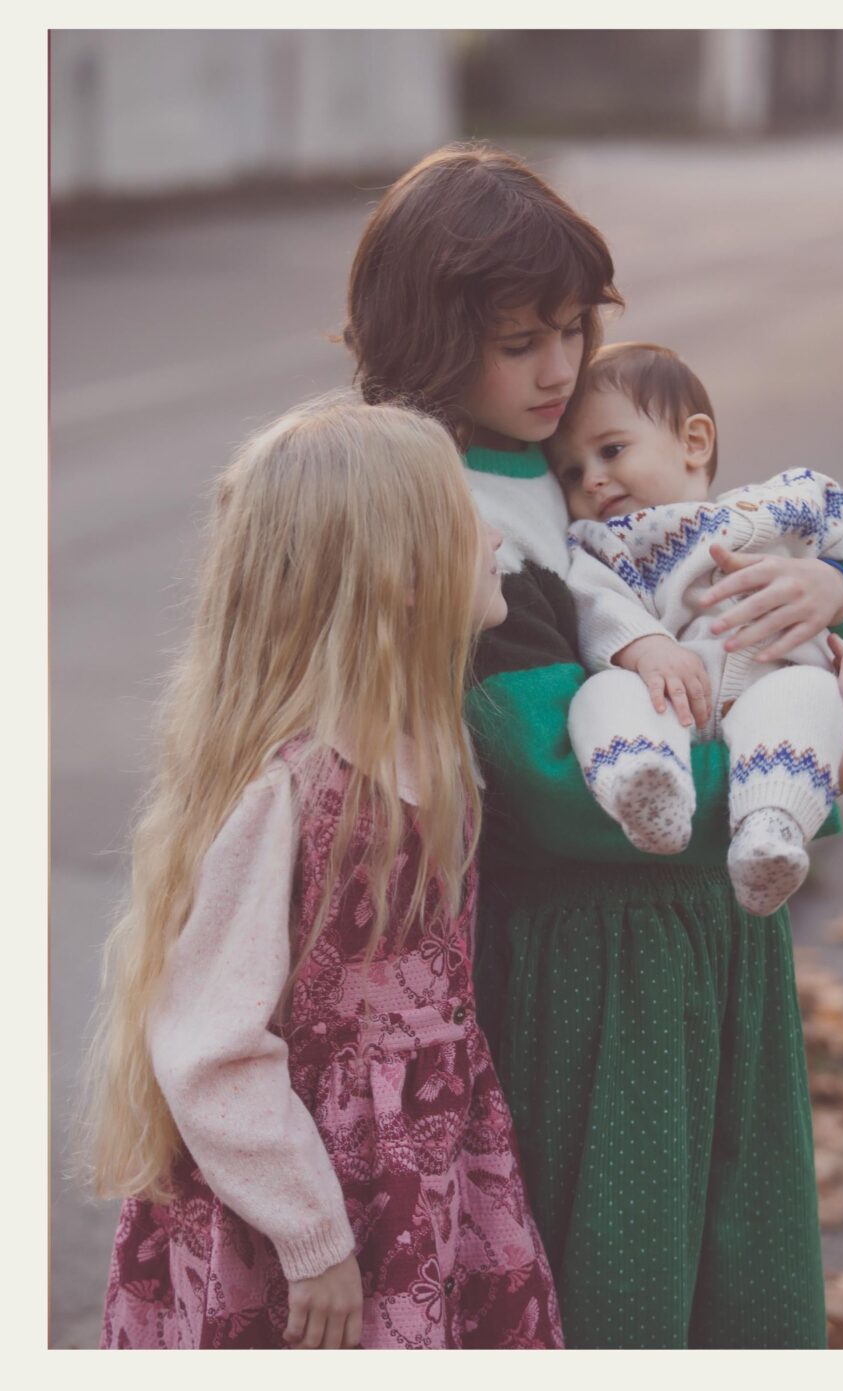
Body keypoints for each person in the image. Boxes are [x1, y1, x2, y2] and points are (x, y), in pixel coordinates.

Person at [341, 142, 843, 1347]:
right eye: (519, 340)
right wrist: (822, 776)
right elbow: (558, 788)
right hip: (592, 957)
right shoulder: (453, 515)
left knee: (731, 1254)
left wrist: (832, 591)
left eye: (572, 328)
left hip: (688, 928)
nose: (559, 368)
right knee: (624, 1281)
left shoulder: (558, 456)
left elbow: (731, 545)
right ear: (430, 339)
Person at [84, 397, 561, 1348]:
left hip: (427, 1174)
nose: (497, 536)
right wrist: (310, 1235)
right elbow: (210, 1044)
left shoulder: (435, 747)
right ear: (400, 576)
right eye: (466, 519)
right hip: (308, 1210)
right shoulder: (297, 793)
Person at [545, 340, 843, 912]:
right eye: (572, 472)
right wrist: (642, 646)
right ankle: (644, 783)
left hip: (772, 683)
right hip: (671, 703)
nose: (592, 480)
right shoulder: (602, 543)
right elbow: (594, 600)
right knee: (605, 692)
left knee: (808, 693)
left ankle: (769, 828)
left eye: (611, 450)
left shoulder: (780, 502)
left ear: (694, 442)